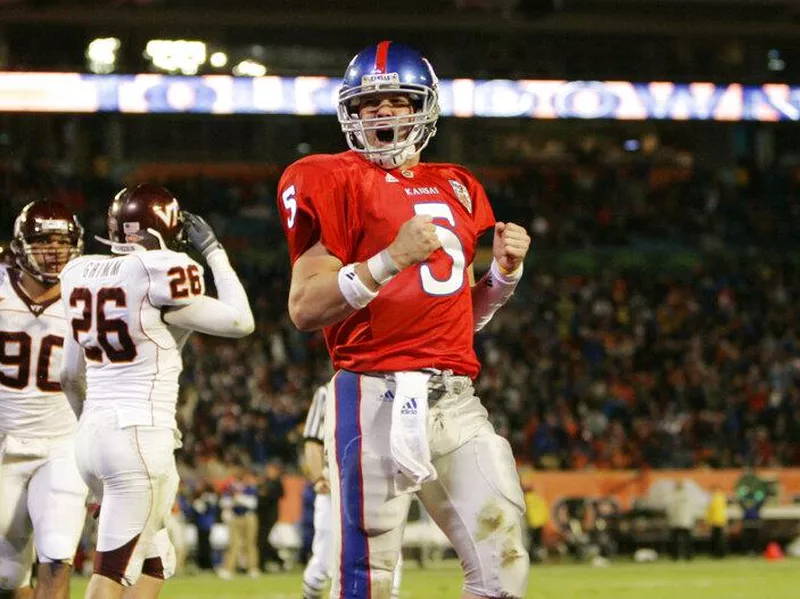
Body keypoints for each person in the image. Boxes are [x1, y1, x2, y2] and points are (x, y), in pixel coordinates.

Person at [277, 41, 531, 599]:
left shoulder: (458, 185)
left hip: (456, 398)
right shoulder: (328, 177)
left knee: (503, 564)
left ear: (426, 106)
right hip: (374, 395)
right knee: (368, 580)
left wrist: (502, 278)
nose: (384, 112)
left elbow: (459, 318)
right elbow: (305, 308)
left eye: (397, 100)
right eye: (370, 103)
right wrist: (388, 260)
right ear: (351, 112)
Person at [58, 183, 255, 599]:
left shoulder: (78, 274)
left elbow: (66, 374)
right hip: (138, 435)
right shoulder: (158, 274)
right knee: (108, 576)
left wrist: (91, 426)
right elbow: (241, 322)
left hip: (91, 435)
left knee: (157, 561)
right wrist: (215, 251)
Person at [0, 200, 89, 599]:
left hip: (62, 445)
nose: (53, 250)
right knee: (6, 577)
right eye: (41, 240)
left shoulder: (88, 294)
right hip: (4, 442)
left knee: (57, 554)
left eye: (62, 240)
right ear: (19, 245)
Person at [301, 384, 402, 599]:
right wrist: (318, 477)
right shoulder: (329, 392)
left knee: (389, 555)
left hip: (379, 483)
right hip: (336, 487)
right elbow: (312, 441)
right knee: (324, 559)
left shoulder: (393, 386)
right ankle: (310, 592)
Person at [217, 464, 260, 580]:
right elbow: (224, 502)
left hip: (248, 516)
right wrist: (235, 500)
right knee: (233, 544)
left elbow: (253, 503)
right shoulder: (230, 487)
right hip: (235, 516)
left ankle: (252, 568)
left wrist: (238, 499)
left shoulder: (249, 487)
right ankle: (228, 569)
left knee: (250, 543)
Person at [256, 462, 286, 573]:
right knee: (261, 540)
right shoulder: (265, 481)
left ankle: (264, 564)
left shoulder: (277, 483)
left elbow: (280, 495)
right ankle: (276, 560)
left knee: (261, 540)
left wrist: (266, 492)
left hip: (270, 516)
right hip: (261, 515)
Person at [666, 479, 695, 561]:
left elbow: (670, 509)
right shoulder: (688, 495)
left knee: (676, 540)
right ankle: (687, 556)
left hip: (677, 521)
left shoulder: (673, 496)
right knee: (686, 540)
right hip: (685, 521)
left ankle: (676, 556)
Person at [524, 484, 549, 563]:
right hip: (540, 523)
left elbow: (526, 512)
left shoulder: (526, 499)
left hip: (533, 523)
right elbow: (545, 509)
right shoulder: (538, 498)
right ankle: (541, 558)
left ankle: (533, 558)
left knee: (532, 542)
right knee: (538, 542)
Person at [705, 485, 728, 558]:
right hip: (721, 520)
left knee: (715, 539)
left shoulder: (713, 498)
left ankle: (716, 554)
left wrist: (708, 521)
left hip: (715, 521)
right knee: (720, 539)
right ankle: (721, 553)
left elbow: (710, 510)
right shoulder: (722, 497)